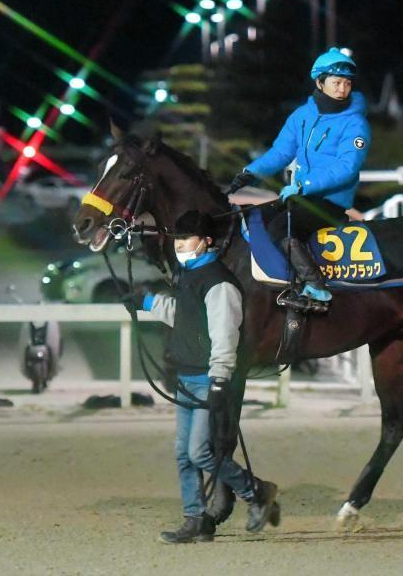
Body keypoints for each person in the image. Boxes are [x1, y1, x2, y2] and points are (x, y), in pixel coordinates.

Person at [134, 209, 278, 544]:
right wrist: (146, 302)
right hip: (187, 376)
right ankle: (195, 519)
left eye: (187, 239)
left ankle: (255, 491)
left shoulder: (220, 283)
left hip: (207, 378)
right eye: (178, 239)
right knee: (184, 453)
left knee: (199, 453)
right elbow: (185, 318)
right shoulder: (190, 277)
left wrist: (219, 379)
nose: (180, 245)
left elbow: (225, 333)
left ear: (206, 241)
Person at [229, 47, 371, 305]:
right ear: (320, 82)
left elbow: (347, 167)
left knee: (282, 228)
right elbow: (281, 152)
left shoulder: (356, 124)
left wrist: (304, 184)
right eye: (336, 82)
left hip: (330, 202)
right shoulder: (302, 116)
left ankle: (315, 286)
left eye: (347, 83)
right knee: (256, 218)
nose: (342, 89)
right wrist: (250, 172)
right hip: (302, 196)